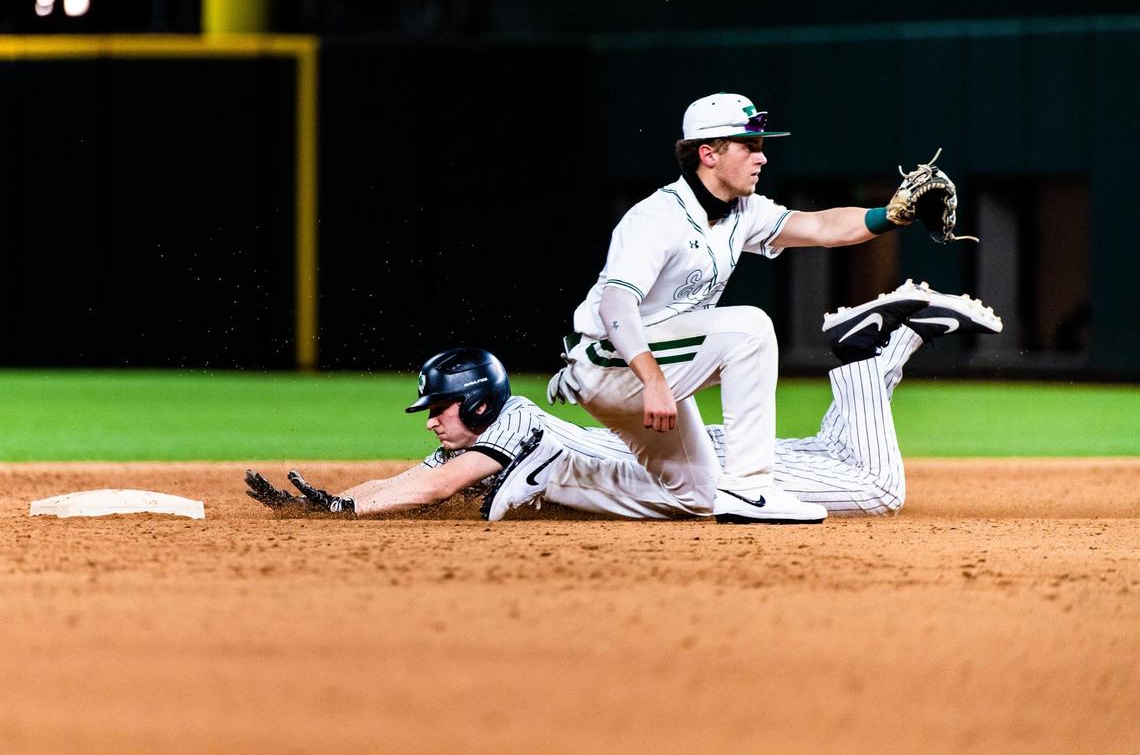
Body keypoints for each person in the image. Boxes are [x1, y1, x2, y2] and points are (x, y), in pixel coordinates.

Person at [244, 281, 1001, 522]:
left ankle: (871, 358)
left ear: (476, 403)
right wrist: (337, 496)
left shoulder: (505, 427)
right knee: (826, 459)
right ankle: (874, 356)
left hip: (679, 475)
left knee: (874, 486)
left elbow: (433, 483)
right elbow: (418, 474)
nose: (433, 419)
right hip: (669, 461)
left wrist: (344, 509)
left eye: (439, 407)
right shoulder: (503, 428)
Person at [553, 91, 963, 525]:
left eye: (761, 146)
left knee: (699, 494)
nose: (761, 157)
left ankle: (550, 475)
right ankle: (751, 487)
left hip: (651, 366)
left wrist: (891, 216)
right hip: (614, 363)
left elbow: (820, 226)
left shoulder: (742, 211)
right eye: (749, 146)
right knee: (749, 329)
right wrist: (651, 378)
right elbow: (615, 304)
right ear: (708, 154)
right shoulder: (656, 218)